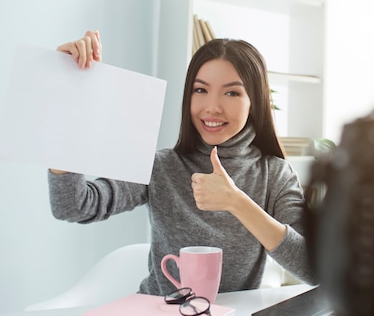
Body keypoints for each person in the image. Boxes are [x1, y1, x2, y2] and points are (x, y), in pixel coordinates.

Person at [48, 30, 315, 296]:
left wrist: (236, 202)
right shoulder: (162, 166)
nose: (212, 107)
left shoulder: (275, 175)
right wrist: (72, 100)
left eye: (232, 93)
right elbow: (73, 205)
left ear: (254, 102)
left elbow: (313, 267)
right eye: (200, 90)